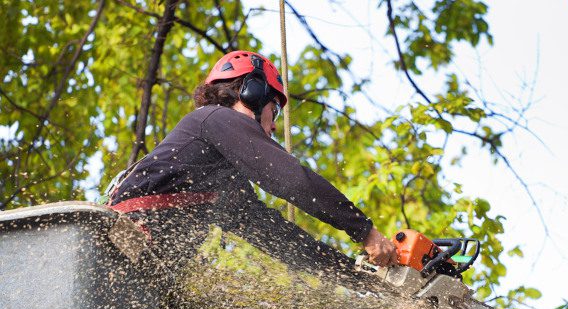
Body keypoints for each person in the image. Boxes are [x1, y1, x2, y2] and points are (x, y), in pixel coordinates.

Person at [107, 50, 397, 270]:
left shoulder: (222, 180)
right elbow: (292, 180)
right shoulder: (214, 118)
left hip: (136, 265)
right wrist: (365, 231)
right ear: (253, 93)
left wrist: (354, 273)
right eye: (275, 110)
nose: (273, 127)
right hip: (120, 243)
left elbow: (278, 238)